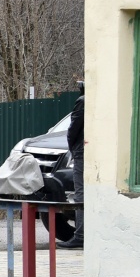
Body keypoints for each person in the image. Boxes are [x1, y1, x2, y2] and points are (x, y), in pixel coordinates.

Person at [57, 87, 85, 249]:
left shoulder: (83, 101)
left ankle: (80, 235)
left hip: (82, 151)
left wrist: (74, 149)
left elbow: (72, 130)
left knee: (81, 194)